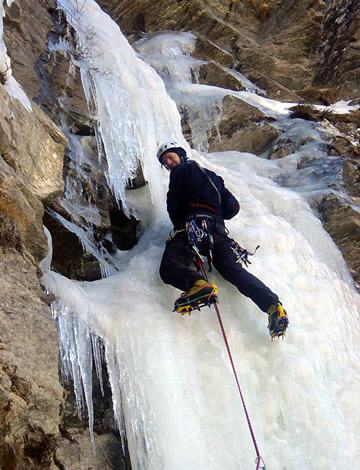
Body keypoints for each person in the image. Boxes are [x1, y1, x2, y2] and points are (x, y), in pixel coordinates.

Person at [158, 141, 288, 338]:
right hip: (217, 232)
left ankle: (198, 284)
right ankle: (273, 306)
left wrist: (179, 226)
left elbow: (173, 204)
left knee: (169, 266)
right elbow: (232, 208)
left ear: (179, 154)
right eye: (164, 161)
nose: (168, 163)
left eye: (170, 157)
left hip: (193, 225)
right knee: (233, 271)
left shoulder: (181, 170)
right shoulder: (213, 178)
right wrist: (212, 209)